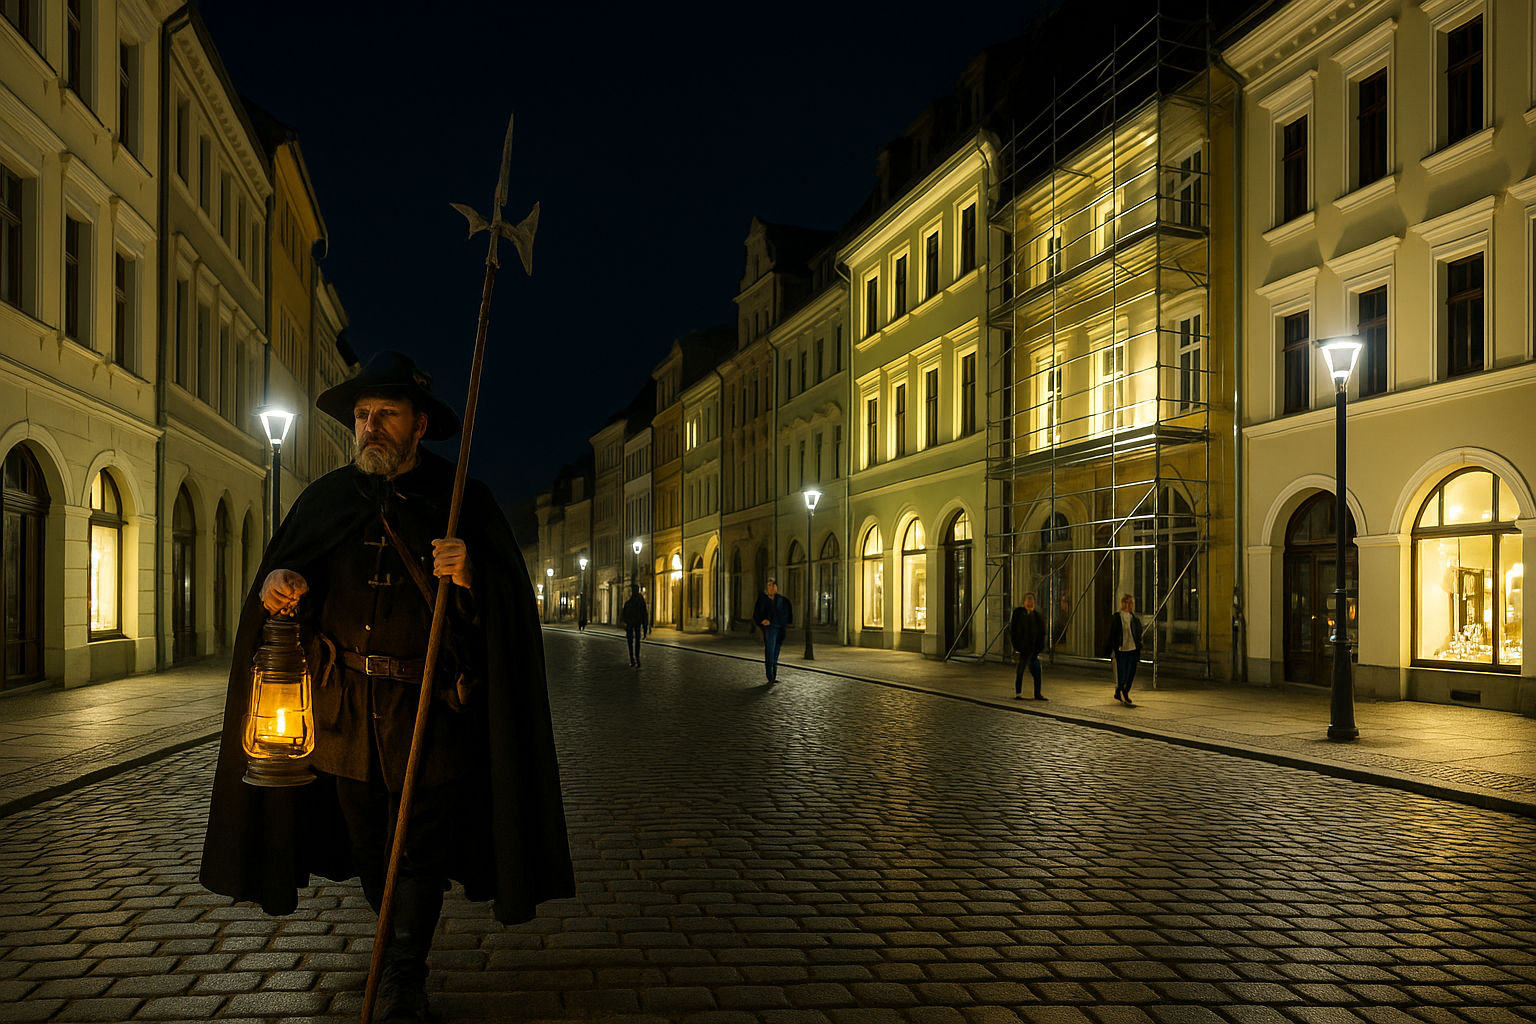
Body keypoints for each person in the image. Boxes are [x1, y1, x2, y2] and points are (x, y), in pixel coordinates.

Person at [199, 352, 574, 1024]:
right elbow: (283, 591)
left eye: (386, 415)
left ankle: (405, 971)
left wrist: (471, 576)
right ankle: (395, 940)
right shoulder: (325, 500)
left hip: (430, 713)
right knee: (373, 847)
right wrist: (279, 587)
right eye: (363, 416)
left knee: (418, 849)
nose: (370, 427)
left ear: (419, 424)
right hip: (343, 718)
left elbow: (510, 612)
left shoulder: (462, 500)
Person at [1104, 592, 1144, 706]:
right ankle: (1123, 692)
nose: (1129, 605)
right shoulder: (1117, 617)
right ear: (1122, 603)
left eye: (1131, 603)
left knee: (1131, 672)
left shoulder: (1134, 619)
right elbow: (1113, 633)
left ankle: (1122, 691)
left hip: (1132, 648)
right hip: (1121, 649)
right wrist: (1112, 648)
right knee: (1122, 672)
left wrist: (1139, 645)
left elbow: (1138, 633)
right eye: (1127, 603)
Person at [752, 578, 793, 683]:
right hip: (770, 629)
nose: (772, 587)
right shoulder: (762, 600)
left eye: (773, 585)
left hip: (780, 629)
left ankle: (774, 674)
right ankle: (770, 676)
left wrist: (787, 624)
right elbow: (756, 614)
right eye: (769, 585)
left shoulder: (782, 600)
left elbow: (788, 612)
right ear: (766, 588)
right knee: (770, 651)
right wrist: (762, 621)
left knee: (776, 652)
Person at [1009, 593, 1048, 700]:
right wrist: (1017, 647)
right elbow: (1014, 631)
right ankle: (1018, 693)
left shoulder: (1036, 616)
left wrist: (1040, 647)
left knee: (1037, 671)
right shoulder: (1018, 614)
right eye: (1028, 599)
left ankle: (1037, 693)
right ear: (1024, 601)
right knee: (1020, 671)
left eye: (1032, 599)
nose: (1030, 602)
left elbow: (1041, 632)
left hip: (1033, 649)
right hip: (1023, 649)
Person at [622, 584, 649, 667]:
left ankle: (633, 659)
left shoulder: (629, 603)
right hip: (636, 623)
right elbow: (645, 615)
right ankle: (636, 659)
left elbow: (624, 615)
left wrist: (626, 622)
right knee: (636, 642)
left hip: (632, 624)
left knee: (631, 642)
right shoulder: (640, 602)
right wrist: (645, 627)